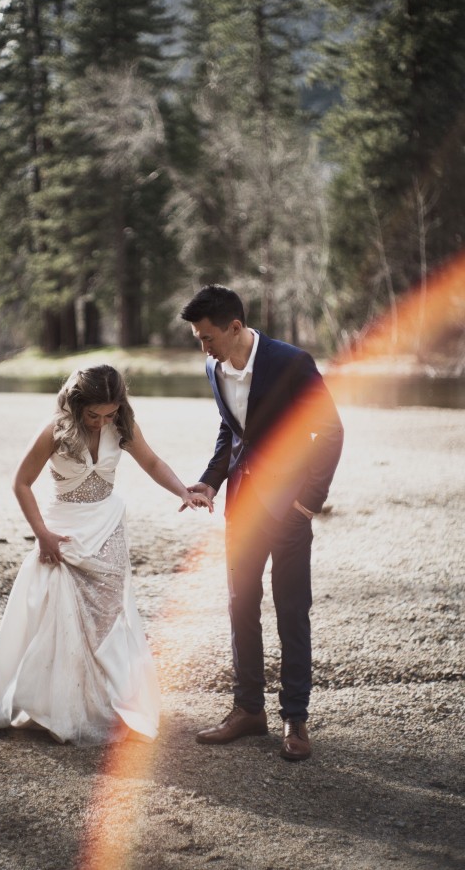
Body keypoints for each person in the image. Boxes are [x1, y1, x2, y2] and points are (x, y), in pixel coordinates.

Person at [0, 365, 212, 745]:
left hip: (107, 526)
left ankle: (107, 704)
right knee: (61, 614)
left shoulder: (122, 425)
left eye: (109, 414)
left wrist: (183, 491)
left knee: (107, 617)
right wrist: (42, 535)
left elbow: (152, 463)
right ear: (76, 405)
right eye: (94, 415)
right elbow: (21, 482)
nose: (102, 422)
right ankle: (61, 706)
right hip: (63, 531)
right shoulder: (55, 430)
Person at [180, 285, 343, 760]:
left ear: (235, 327)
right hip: (242, 506)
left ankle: (295, 717)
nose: (203, 348)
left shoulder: (292, 362)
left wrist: (308, 503)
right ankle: (249, 710)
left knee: (291, 610)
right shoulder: (213, 367)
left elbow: (330, 431)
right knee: (240, 605)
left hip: (290, 509)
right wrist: (210, 482)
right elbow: (231, 430)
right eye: (198, 339)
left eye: (207, 338)